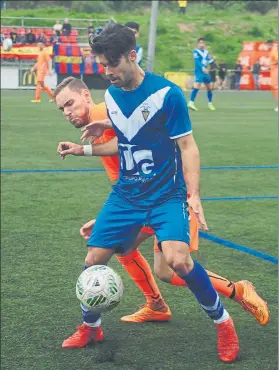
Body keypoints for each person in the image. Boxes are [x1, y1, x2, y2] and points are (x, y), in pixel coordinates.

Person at [57, 23, 240, 363]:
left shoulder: (167, 94)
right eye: (102, 64)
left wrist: (194, 194)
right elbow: (124, 144)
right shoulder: (111, 96)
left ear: (131, 55)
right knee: (93, 259)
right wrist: (91, 141)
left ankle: (224, 324)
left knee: (178, 261)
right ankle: (90, 326)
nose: (108, 72)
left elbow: (188, 147)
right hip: (126, 195)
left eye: (113, 63)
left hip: (166, 195)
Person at [54, 75, 269, 329]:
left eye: (70, 103)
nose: (67, 112)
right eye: (62, 108)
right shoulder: (97, 124)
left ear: (86, 96)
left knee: (172, 264)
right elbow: (126, 180)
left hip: (169, 195)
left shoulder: (103, 112)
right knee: (136, 255)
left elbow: (143, 133)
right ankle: (155, 304)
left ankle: (239, 291)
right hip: (142, 198)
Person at [188, 38, 216, 112]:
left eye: (203, 43)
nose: (202, 44)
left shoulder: (206, 52)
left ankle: (210, 103)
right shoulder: (195, 52)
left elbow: (208, 60)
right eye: (200, 43)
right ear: (197, 44)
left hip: (205, 72)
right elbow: (197, 61)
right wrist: (202, 67)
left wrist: (213, 60)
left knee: (209, 87)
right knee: (197, 86)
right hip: (199, 72)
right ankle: (191, 102)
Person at [266, 40, 278, 112]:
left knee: (274, 87)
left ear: (270, 44)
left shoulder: (274, 50)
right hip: (273, 70)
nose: (267, 46)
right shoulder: (272, 50)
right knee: (273, 87)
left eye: (267, 45)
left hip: (276, 71)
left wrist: (273, 64)